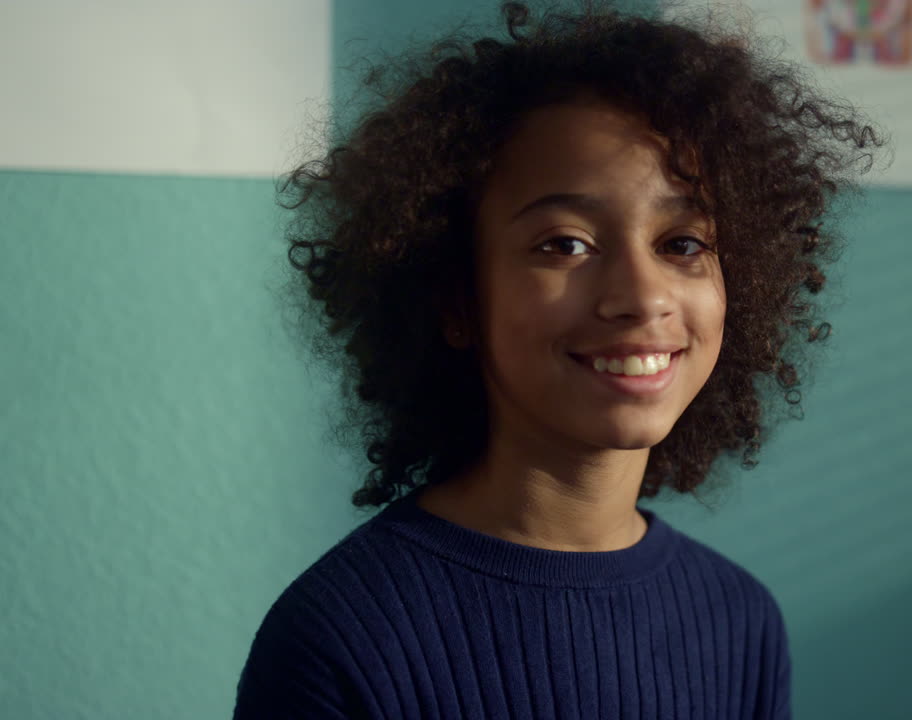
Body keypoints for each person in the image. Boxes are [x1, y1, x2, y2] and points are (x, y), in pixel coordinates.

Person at [233, 2, 878, 717]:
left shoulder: (741, 621)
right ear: (455, 298)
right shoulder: (341, 641)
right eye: (565, 243)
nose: (641, 296)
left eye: (683, 244)